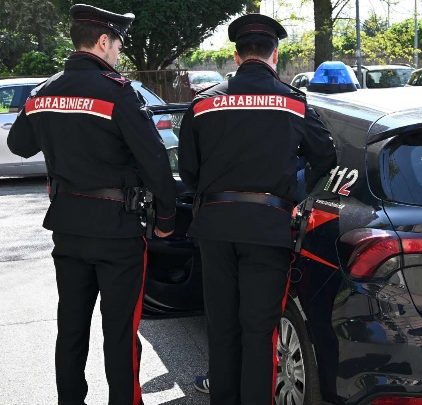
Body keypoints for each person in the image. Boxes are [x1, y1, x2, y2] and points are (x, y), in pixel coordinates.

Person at [6, 4, 176, 405]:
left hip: (67, 228)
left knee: (71, 328)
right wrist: (167, 217)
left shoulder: (43, 92)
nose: (118, 52)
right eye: (117, 44)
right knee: (119, 332)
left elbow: (19, 145)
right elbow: (154, 160)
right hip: (117, 231)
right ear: (102, 41)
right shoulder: (118, 92)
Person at [178, 13, 336, 405]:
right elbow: (326, 158)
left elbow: (189, 172)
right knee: (260, 332)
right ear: (275, 55)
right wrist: (295, 190)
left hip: (215, 229)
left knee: (222, 328)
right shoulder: (295, 104)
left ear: (236, 56)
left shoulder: (202, 104)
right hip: (269, 229)